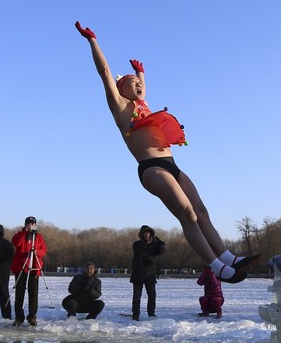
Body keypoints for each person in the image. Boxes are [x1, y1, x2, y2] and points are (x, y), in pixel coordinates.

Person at [76, 21, 258, 283]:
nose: (138, 84)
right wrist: (93, 41)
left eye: (140, 83)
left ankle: (229, 258)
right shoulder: (120, 107)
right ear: (121, 89)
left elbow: (142, 87)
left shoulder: (143, 103)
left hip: (172, 164)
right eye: (132, 82)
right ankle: (217, 267)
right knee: (188, 214)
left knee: (201, 210)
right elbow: (104, 71)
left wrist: (141, 73)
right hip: (152, 168)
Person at [11, 216, 47, 327]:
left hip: (34, 267)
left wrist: (37, 252)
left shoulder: (39, 237)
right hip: (21, 267)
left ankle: (32, 316)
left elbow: (44, 250)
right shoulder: (19, 234)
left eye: (33, 223)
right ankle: (19, 317)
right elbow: (16, 243)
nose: (31, 225)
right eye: (29, 223)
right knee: (19, 293)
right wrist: (24, 232)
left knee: (33, 293)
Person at [130, 225, 165, 320]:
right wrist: (148, 244)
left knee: (152, 296)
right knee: (137, 296)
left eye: (148, 233)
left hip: (150, 274)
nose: (146, 235)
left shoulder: (153, 245)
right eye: (144, 233)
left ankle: (151, 314)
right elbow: (140, 252)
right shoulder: (137, 244)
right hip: (138, 274)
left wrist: (157, 241)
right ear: (141, 235)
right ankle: (135, 315)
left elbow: (161, 250)